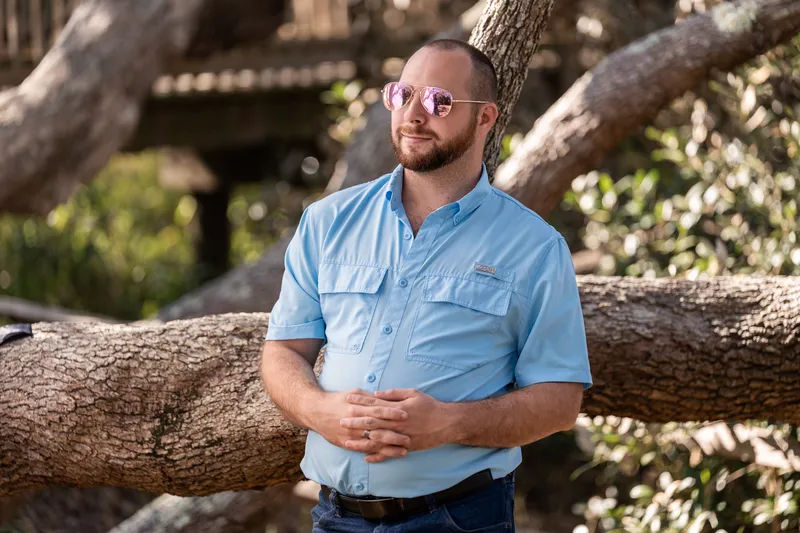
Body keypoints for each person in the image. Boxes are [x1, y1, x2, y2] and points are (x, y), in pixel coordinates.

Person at [260, 38, 593, 533]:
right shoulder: (328, 221)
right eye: (403, 95)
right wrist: (319, 410)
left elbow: (561, 400)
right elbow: (283, 350)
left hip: (458, 518)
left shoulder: (534, 248)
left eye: (439, 101)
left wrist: (451, 423)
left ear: (485, 119)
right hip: (335, 518)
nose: (414, 114)